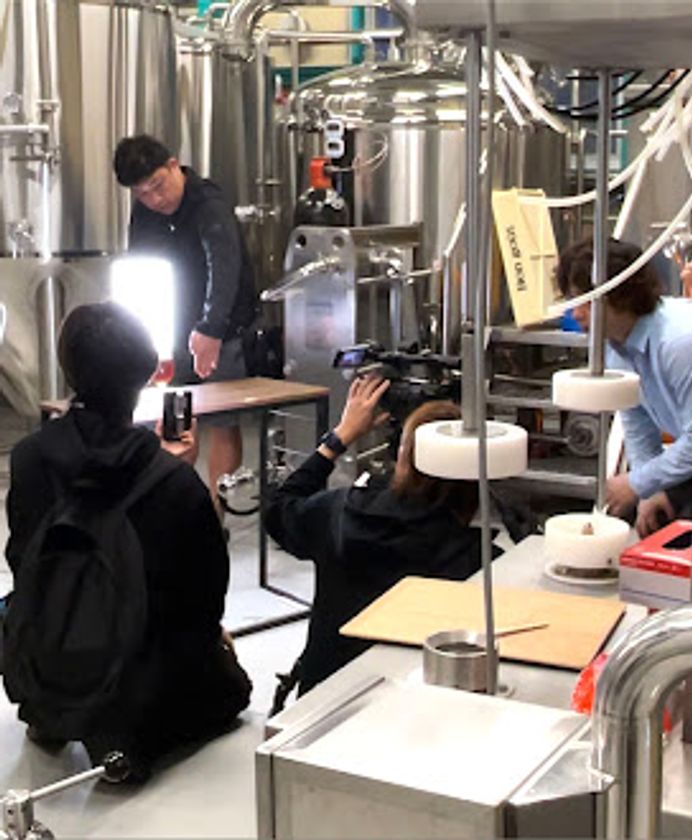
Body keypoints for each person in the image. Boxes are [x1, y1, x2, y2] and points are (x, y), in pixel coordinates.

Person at [4, 302, 251, 779]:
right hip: (137, 684)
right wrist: (175, 467)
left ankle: (51, 711)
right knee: (231, 685)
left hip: (46, 657)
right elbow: (205, 599)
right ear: (146, 372)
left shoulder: (30, 457)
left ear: (69, 368)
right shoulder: (172, 480)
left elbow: (22, 559)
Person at [265, 377, 483, 696]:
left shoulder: (337, 514)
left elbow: (278, 508)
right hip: (412, 704)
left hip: (323, 696)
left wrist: (339, 438)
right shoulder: (476, 560)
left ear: (402, 458)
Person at [112, 134, 257, 517]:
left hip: (223, 328)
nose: (154, 199)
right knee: (173, 420)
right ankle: (176, 512)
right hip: (173, 330)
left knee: (222, 420)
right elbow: (140, 267)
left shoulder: (208, 204)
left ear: (174, 165)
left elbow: (224, 268)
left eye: (158, 185)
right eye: (142, 194)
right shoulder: (145, 212)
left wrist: (211, 329)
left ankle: (216, 516)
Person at [556, 237, 692, 537]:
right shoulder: (614, 344)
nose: (576, 313)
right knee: (647, 524)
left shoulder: (679, 343)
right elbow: (637, 424)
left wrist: (637, 484)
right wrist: (650, 491)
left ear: (621, 296)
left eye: (586, 300)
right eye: (573, 300)